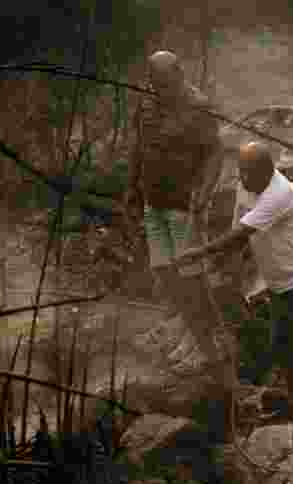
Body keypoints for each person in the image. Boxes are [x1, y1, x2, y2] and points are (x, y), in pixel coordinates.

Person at [175, 142, 293, 426]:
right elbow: (238, 232)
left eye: (249, 173)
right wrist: (220, 265)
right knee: (285, 345)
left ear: (268, 172)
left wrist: (200, 253)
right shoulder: (245, 187)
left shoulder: (280, 194)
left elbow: (241, 233)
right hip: (280, 282)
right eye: (241, 172)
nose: (243, 178)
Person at [124, 50, 226, 375]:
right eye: (156, 84)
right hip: (153, 202)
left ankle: (209, 349)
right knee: (166, 274)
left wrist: (204, 194)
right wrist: (131, 186)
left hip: (184, 206)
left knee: (191, 279)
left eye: (167, 84)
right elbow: (139, 147)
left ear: (180, 74)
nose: (162, 90)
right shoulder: (146, 105)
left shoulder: (198, 107)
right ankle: (192, 335)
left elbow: (215, 153)